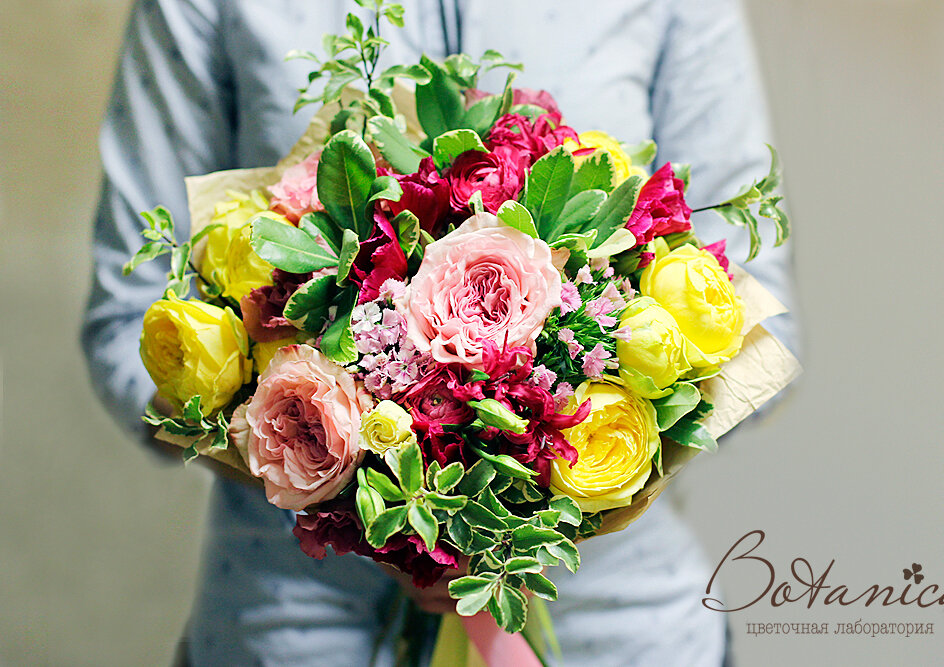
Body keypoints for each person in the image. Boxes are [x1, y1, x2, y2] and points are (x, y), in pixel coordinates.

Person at [82, 1, 795, 664]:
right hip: (290, 636)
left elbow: (763, 316)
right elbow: (125, 322)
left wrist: (528, 501)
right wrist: (358, 496)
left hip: (619, 635)